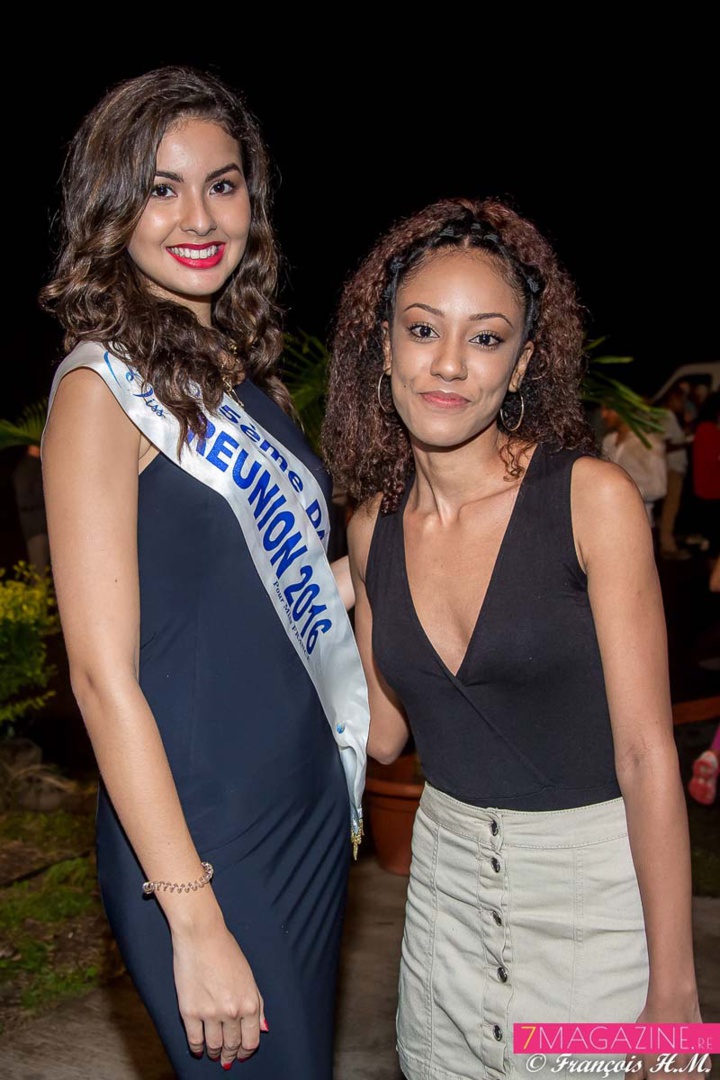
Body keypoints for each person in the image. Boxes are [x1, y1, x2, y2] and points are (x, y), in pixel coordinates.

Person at [323, 198, 702, 1078]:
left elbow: (648, 754)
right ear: (383, 346)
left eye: (486, 338)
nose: (449, 363)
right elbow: (382, 733)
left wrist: (677, 999)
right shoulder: (374, 527)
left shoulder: (592, 500)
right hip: (443, 903)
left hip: (594, 909)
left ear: (524, 360)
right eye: (422, 329)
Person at [40, 66, 368, 1079]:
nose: (198, 215)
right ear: (111, 206)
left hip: (304, 808)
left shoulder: (241, 377)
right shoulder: (102, 393)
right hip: (205, 839)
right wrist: (192, 916)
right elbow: (102, 679)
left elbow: (276, 604)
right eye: (161, 186)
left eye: (222, 185)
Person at [600, 405, 667, 527]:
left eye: (609, 409)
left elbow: (659, 488)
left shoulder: (649, 443)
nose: (603, 415)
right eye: (602, 409)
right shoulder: (608, 441)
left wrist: (623, 490)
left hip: (639, 522)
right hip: (607, 520)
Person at [12, 444, 50, 572]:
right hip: (36, 529)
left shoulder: (41, 466)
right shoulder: (26, 468)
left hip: (46, 528)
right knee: (40, 572)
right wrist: (46, 497)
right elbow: (24, 501)